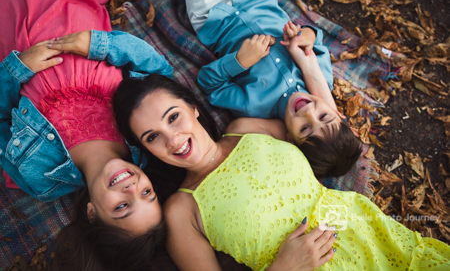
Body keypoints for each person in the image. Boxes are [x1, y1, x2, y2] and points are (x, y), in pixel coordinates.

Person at [112, 73, 450, 271]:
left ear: (192, 108)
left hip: (369, 232)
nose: (172, 140)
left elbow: (317, 122)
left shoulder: (246, 129)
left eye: (173, 117)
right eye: (152, 137)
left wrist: (307, 64)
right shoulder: (180, 210)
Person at [0, 0, 172, 269]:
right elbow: (158, 74)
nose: (132, 188)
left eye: (122, 207)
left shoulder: (39, 176)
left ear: (93, 214)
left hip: (14, 35)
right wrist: (100, 45)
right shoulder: (144, 139)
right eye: (147, 193)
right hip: (75, 16)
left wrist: (18, 68)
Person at [187, 0, 362, 178]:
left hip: (212, 14)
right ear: (337, 112)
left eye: (305, 128)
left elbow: (209, 83)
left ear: (290, 139)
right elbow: (316, 38)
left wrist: (239, 61)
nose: (309, 112)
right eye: (324, 116)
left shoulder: (253, 108)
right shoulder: (321, 76)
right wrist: (306, 35)